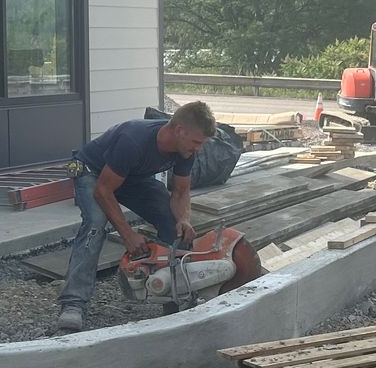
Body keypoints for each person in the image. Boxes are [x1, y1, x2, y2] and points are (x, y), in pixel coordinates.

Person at [57, 101, 255, 332]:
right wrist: (128, 235)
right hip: (92, 172)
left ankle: (174, 294)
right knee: (95, 224)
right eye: (196, 143)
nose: (198, 149)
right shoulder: (133, 140)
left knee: (175, 226)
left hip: (131, 177)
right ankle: (73, 304)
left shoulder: (186, 149)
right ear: (180, 130)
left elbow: (180, 192)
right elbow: (103, 191)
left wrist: (183, 219)